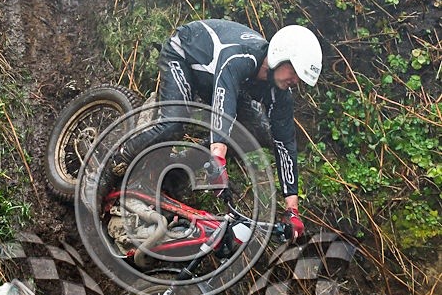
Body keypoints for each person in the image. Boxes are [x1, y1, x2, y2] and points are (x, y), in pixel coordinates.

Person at [107, 19, 322, 240]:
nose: (296, 81)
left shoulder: (281, 93)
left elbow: (285, 144)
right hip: (184, 56)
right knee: (173, 124)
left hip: (222, 82)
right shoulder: (242, 57)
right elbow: (224, 100)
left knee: (258, 132)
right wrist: (218, 155)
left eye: (300, 79)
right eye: (295, 72)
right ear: (280, 55)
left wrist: (292, 210)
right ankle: (110, 164)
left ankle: (175, 173)